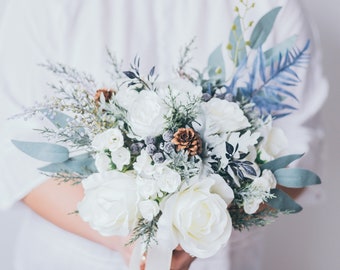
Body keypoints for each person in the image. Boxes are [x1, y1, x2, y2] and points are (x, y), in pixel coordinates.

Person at [0, 0, 328, 269]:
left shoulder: (273, 6)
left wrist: (203, 228)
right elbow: (14, 151)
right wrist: (129, 241)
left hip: (226, 259)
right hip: (71, 258)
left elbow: (300, 144)